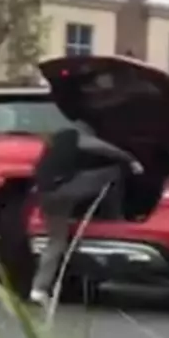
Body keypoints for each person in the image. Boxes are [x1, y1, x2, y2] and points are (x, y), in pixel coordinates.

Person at [28, 123, 142, 305]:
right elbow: (104, 149)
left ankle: (38, 288)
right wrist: (130, 159)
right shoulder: (76, 137)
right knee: (114, 171)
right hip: (64, 190)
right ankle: (115, 215)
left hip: (45, 193)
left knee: (56, 240)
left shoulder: (54, 142)